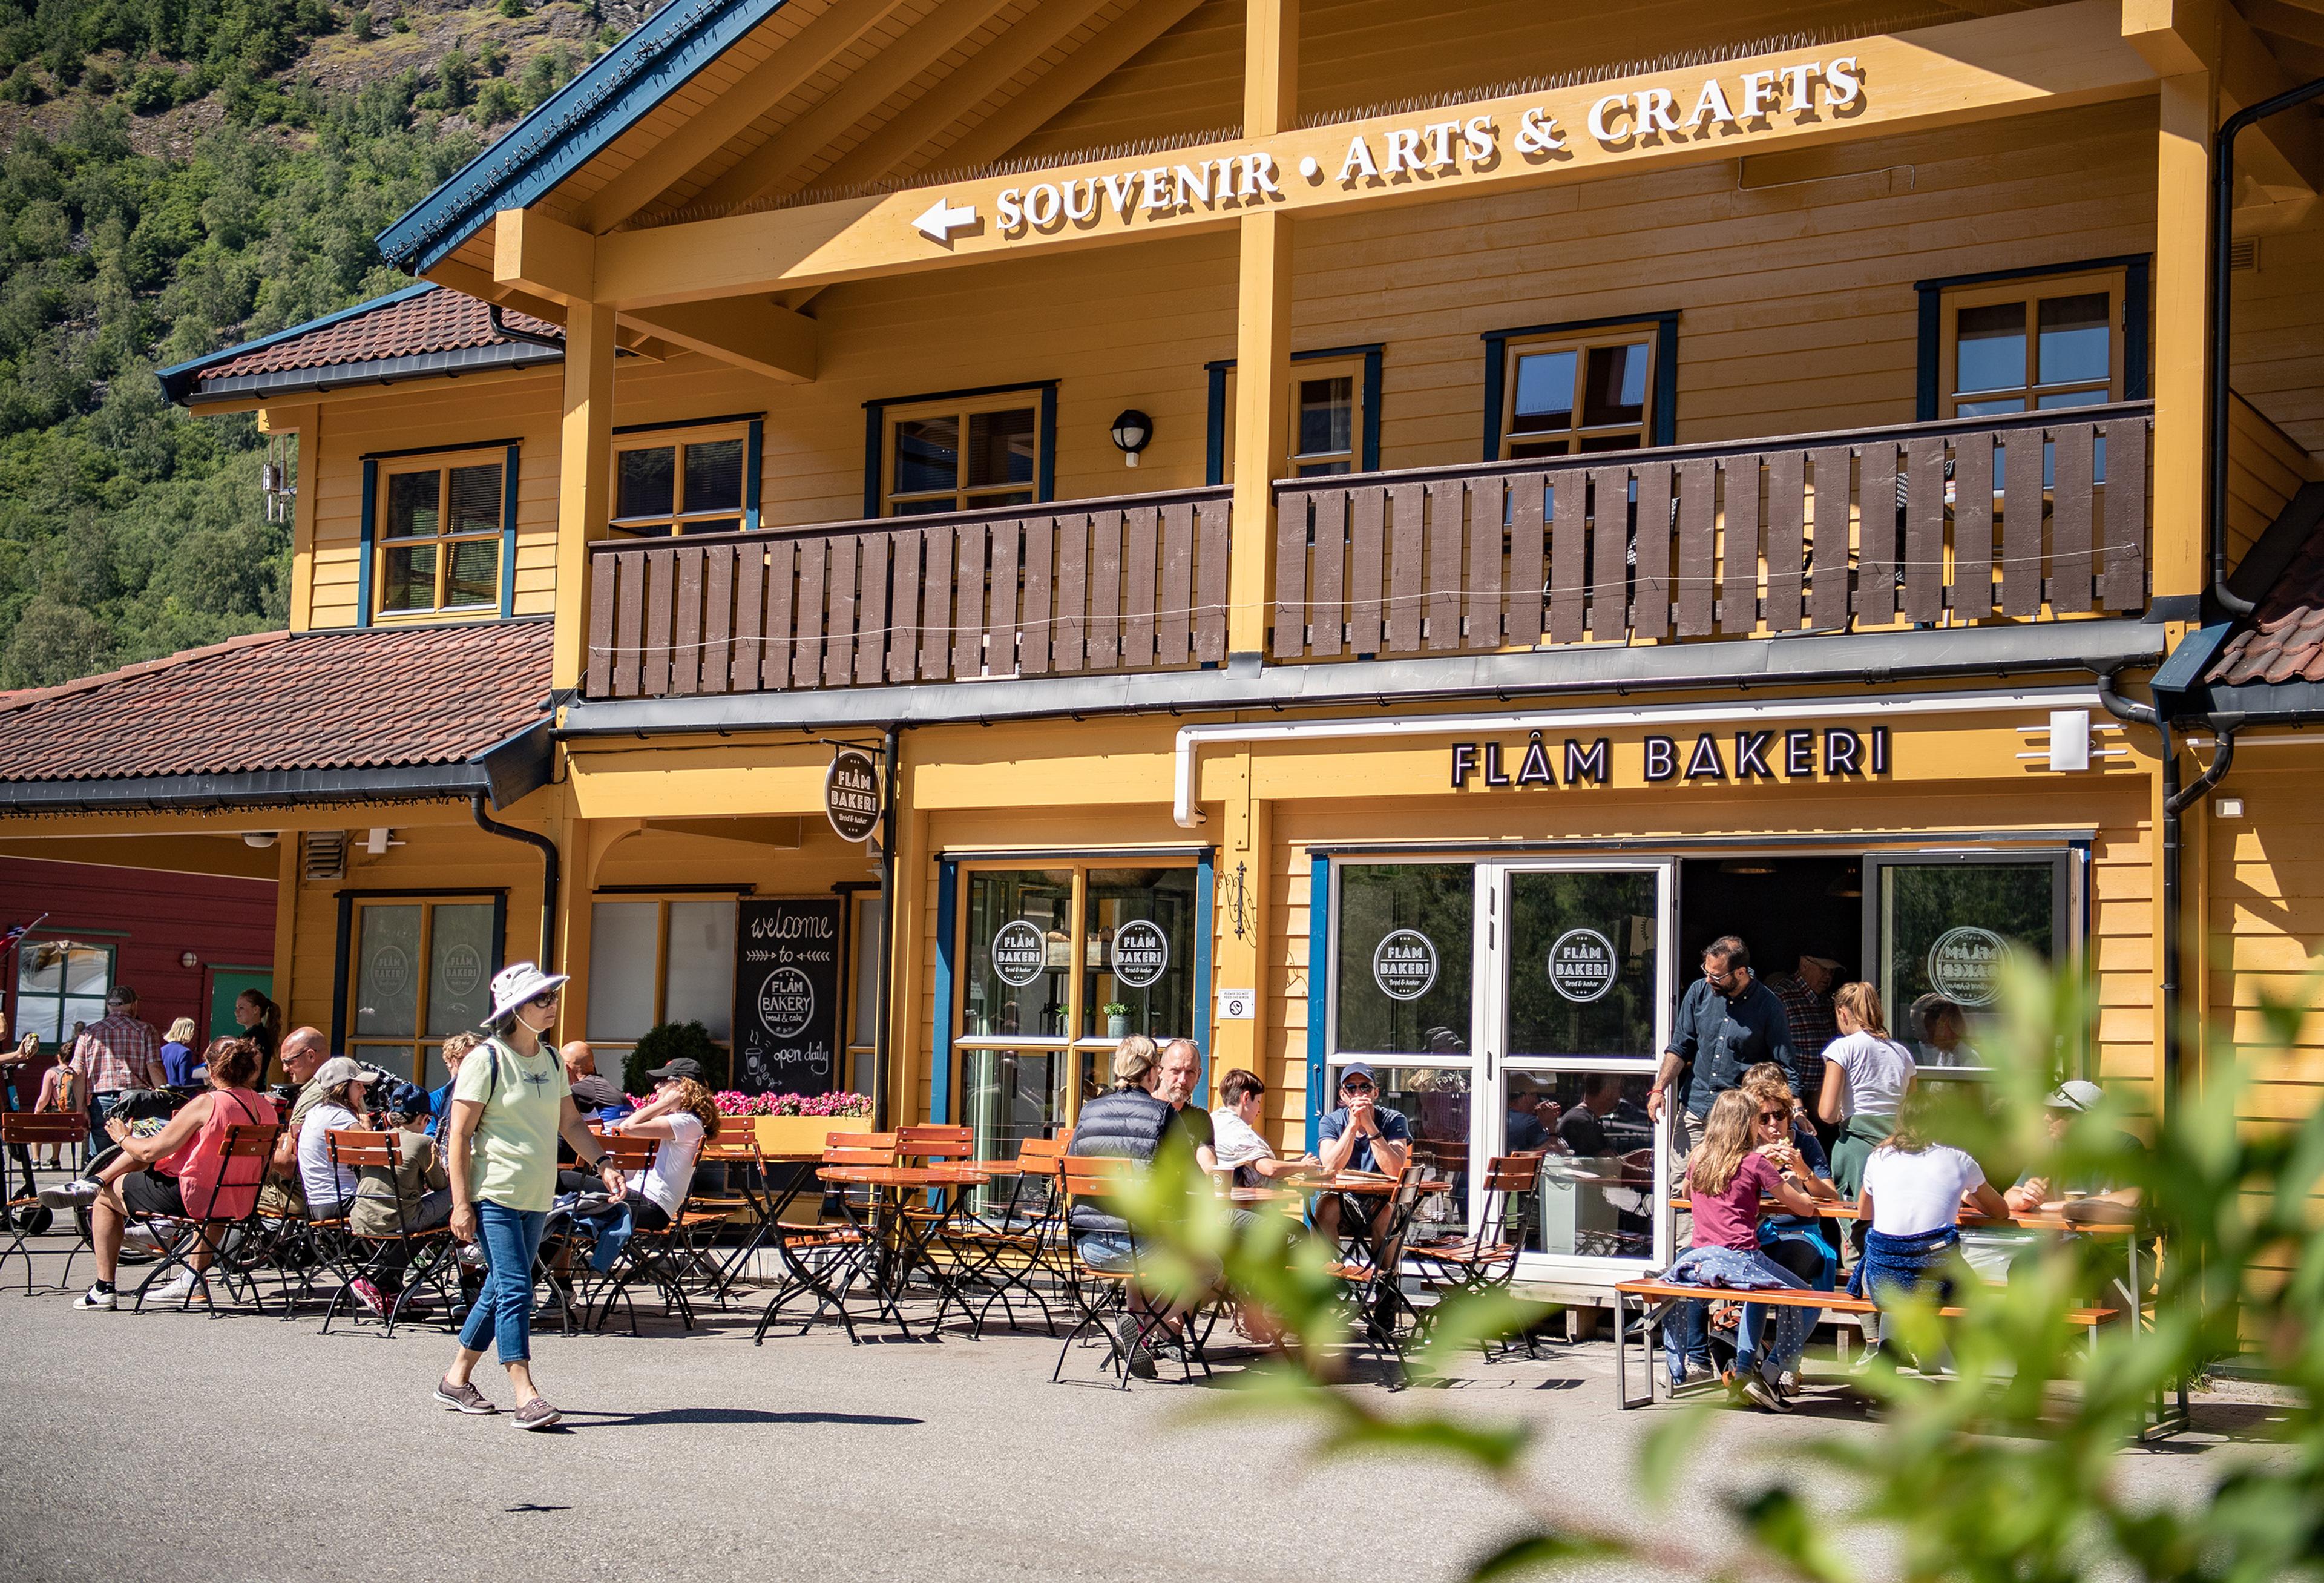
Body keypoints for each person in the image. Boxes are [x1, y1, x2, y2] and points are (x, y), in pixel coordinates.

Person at [436, 963, 626, 1430]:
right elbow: (458, 1136)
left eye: (553, 997)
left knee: (502, 1285)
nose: (552, 1006)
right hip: (494, 1192)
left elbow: (572, 1123)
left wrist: (603, 1164)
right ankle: (526, 1393)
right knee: (518, 1286)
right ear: (514, 1010)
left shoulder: (553, 1059)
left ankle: (455, 1377)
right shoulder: (487, 1059)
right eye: (542, 999)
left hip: (537, 1192)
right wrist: (461, 1204)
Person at [67, 1037, 273, 1311]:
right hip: (239, 1197)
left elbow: (149, 1152)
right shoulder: (266, 1108)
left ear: (211, 1071)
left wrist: (122, 1138)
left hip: (192, 1198)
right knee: (216, 1198)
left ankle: (104, 1288)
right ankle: (192, 1277)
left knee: (106, 1197)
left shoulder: (208, 1103)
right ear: (252, 1071)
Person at [1659, 1088, 1824, 1411]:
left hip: (1701, 1261)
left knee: (1759, 1291)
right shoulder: (1754, 1162)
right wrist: (1794, 1179)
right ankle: (1768, 1370)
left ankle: (1745, 1374)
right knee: (1809, 1297)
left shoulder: (1699, 1157)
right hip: (1740, 1258)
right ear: (1746, 1123)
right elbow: (1804, 1209)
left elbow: (1687, 1195)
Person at [1850, 1085, 2011, 1367]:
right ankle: (1966, 1374)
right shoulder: (1958, 1160)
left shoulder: (1879, 1157)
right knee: (1975, 1299)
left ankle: (1892, 1376)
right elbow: (2000, 1210)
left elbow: (1864, 1212)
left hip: (1881, 1273)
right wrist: (1963, 1193)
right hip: (1934, 1273)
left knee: (1900, 1297)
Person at [1063, 1035, 1182, 1378]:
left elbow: (1073, 1170)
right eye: (1158, 1067)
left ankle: (1134, 1331)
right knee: (1208, 1267)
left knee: (1135, 1238)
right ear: (1150, 1073)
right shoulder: (1163, 1114)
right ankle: (1140, 1326)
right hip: (1141, 1246)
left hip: (1090, 1247)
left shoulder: (1088, 1111)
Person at [1960, 1080, 2147, 1283]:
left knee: (2109, 1285)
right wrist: (2025, 1199)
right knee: (2023, 1267)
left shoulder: (2124, 1147)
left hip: (2121, 1249)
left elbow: (2133, 1198)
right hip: (2065, 1247)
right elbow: (2011, 1196)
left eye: (2058, 1113)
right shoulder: (2047, 1148)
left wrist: (2056, 1206)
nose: (2047, 1118)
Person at [1649, 937, 1794, 1161]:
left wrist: (1794, 1112)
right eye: (1706, 971)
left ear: (1741, 972)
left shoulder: (1769, 1006)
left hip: (1737, 1117)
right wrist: (1659, 1088)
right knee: (1680, 1187)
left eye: (1716, 976)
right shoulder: (1698, 992)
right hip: (1695, 1108)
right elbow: (1680, 1047)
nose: (1708, 980)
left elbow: (1785, 1066)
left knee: (1727, 1184)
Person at [1740, 1063, 1842, 1289]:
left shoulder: (1806, 1143)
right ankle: (1726, 1322)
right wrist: (1755, 1163)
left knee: (1778, 1265)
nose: (1774, 1124)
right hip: (1752, 1233)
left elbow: (1832, 1196)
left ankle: (1783, 1323)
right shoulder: (1743, 1147)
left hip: (1800, 1231)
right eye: (1764, 1118)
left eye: (1779, 1114)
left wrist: (1802, 1170)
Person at [1817, 982, 1919, 1199]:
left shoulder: (1842, 1048)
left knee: (1858, 1222)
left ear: (1842, 1013)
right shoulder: (1903, 1053)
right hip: (1899, 1147)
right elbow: (1913, 1109)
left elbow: (1827, 1113)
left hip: (1857, 1149)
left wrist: (1838, 1115)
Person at [597, 1058, 721, 1232]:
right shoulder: (682, 1121)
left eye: (663, 1081)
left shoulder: (685, 1123)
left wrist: (665, 1103)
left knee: (569, 1183)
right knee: (571, 1191)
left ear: (683, 1086)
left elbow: (627, 1126)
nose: (656, 1087)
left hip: (651, 1205)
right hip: (644, 1199)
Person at [1311, 1062, 1413, 1246]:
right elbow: (1329, 1167)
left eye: (1365, 1087)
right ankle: (1326, 1273)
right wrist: (1352, 1126)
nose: (1359, 1093)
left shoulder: (1394, 1120)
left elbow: (1395, 1170)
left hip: (1384, 1200)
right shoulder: (1331, 1121)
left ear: (1376, 1092)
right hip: (1344, 1201)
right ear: (1343, 1095)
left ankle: (1385, 1275)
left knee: (1384, 1212)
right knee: (1325, 1206)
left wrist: (1369, 1126)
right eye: (1351, 1088)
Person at [69, 986, 165, 1152]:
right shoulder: (146, 1030)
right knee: (134, 1155)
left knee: (100, 1156)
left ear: (108, 1006)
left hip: (101, 1101)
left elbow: (78, 1072)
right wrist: (164, 1097)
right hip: (136, 1101)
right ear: (134, 1005)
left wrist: (81, 1107)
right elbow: (154, 1067)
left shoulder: (89, 1032)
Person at [259, 1027, 332, 1220]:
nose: (284, 1069)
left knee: (233, 1194)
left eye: (289, 1061)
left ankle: (219, 1251)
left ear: (310, 1056)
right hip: (342, 1192)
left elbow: (287, 1164)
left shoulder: (312, 1097)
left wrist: (259, 1147)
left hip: (304, 1195)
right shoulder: (348, 1087)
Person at [1764, 954, 1842, 1128]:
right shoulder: (1781, 995)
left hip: (1822, 1101)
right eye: (1824, 970)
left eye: (1832, 972)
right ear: (1804, 965)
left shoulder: (1827, 1001)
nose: (1828, 977)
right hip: (1787, 1101)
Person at [1208, 1067, 1318, 1186]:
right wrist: (1304, 1166)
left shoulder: (1213, 1120)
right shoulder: (1237, 1132)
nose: (1259, 1110)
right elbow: (1269, 1169)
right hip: (1238, 1202)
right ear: (1246, 1098)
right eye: (1258, 1101)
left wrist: (1294, 1164)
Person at [297, 1057, 375, 1224]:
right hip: (343, 1201)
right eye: (358, 1085)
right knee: (404, 1206)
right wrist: (367, 1126)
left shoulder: (314, 1113)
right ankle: (394, 1252)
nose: (364, 1092)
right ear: (343, 1087)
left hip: (314, 1205)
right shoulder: (341, 1117)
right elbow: (373, 1153)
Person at [30, 1038, 80, 1167]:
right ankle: (55, 1159)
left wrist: (37, 1111)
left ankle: (36, 1159)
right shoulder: (78, 1073)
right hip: (71, 1117)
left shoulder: (51, 1073)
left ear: (59, 1057)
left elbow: (44, 1098)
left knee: (35, 1125)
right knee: (59, 1127)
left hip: (55, 1112)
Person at [428, 1031, 480, 1137]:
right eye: (461, 1058)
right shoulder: (434, 1099)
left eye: (472, 1059)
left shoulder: (488, 1095)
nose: (468, 1063)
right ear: (449, 1061)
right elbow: (430, 1136)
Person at [1909, 993, 1981, 1070]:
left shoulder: (1968, 1061)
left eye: (1923, 1029)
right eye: (1915, 1029)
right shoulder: (1944, 1055)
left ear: (1943, 1023)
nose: (1917, 1035)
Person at [232, 989, 283, 1073]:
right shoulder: (257, 1033)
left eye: (241, 1008)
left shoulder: (255, 1037)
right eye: (237, 1008)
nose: (236, 1012)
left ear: (255, 1010)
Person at [157, 1018, 201, 1086]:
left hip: (163, 1092)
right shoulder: (185, 1053)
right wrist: (203, 1081)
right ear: (188, 1032)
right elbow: (185, 1082)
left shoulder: (162, 1050)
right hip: (178, 1094)